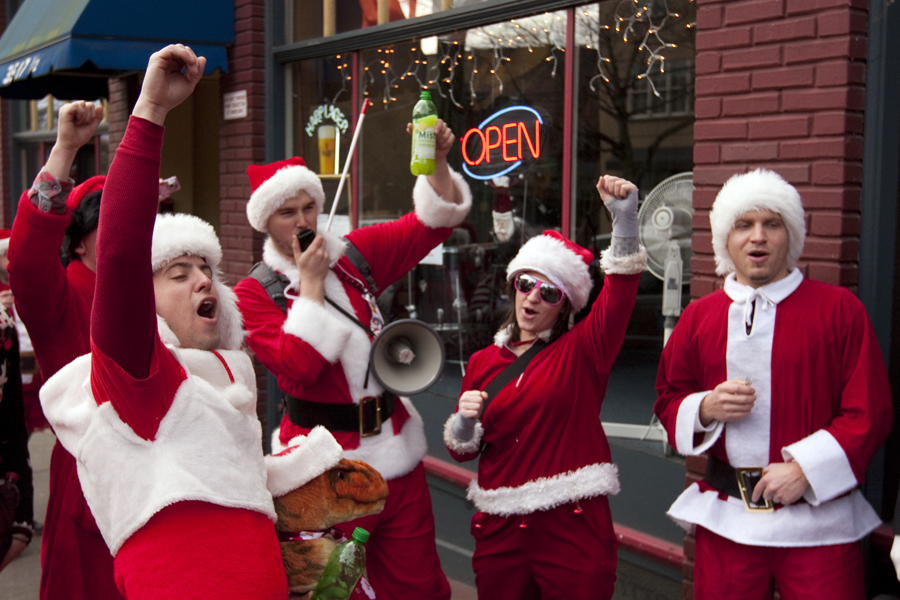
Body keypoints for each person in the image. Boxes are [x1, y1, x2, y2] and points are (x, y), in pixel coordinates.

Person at [39, 45, 289, 600]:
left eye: (207, 270)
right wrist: (151, 109)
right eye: (179, 273)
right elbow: (122, 254)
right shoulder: (143, 381)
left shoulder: (223, 381)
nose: (203, 281)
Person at [234, 112, 472, 599]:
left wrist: (438, 163)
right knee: (336, 590)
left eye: (308, 207)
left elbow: (432, 224)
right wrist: (312, 284)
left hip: (396, 454)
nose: (303, 221)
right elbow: (298, 366)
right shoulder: (253, 293)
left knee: (419, 587)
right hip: (326, 472)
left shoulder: (354, 256)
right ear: (266, 222)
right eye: (287, 212)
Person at [653, 169, 892, 600]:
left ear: (791, 235)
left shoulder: (840, 310)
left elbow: (868, 412)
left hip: (819, 524)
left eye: (772, 224)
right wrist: (704, 408)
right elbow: (669, 398)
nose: (757, 237)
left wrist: (805, 471)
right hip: (727, 520)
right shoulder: (698, 317)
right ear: (726, 240)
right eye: (744, 225)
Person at [442, 175, 647, 600]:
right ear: (512, 286)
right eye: (525, 284)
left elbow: (620, 293)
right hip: (501, 529)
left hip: (570, 525)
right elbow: (462, 451)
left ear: (566, 304)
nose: (533, 297)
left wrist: (625, 224)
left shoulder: (583, 351)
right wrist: (463, 423)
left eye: (549, 291)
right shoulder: (482, 362)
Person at [8, 100, 122, 599]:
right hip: (89, 488)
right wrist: (65, 149)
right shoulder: (64, 295)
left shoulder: (153, 292)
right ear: (79, 242)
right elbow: (27, 260)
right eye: (112, 225)